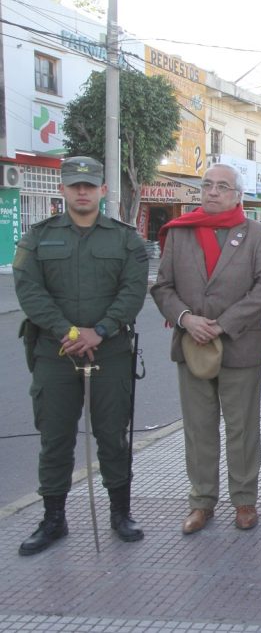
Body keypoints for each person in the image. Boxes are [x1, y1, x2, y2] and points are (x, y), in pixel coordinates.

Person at [13, 156, 148, 555]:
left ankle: (120, 514)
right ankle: (53, 519)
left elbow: (133, 291)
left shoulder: (125, 239)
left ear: (103, 191)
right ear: (63, 190)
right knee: (55, 438)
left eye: (90, 185)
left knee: (112, 435)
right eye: (75, 185)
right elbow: (29, 290)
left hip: (111, 351)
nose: (83, 191)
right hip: (55, 352)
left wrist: (100, 330)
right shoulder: (37, 237)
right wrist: (69, 332)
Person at [151, 163, 261, 534]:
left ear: (238, 195)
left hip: (239, 345)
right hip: (191, 345)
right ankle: (201, 502)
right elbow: (162, 287)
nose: (212, 192)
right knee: (198, 428)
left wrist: (222, 325)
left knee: (242, 429)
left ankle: (244, 501)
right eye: (207, 185)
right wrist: (187, 319)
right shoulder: (181, 233)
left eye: (222, 187)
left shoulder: (259, 235)